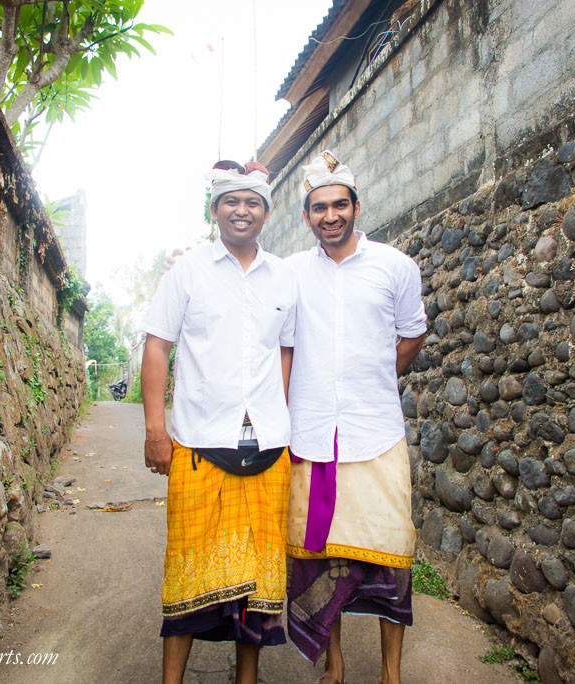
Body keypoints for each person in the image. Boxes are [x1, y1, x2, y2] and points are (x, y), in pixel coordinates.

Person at [140, 160, 296, 684]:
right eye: (232, 201)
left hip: (270, 448)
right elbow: (158, 347)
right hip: (199, 445)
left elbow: (286, 354)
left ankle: (245, 678)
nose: (242, 211)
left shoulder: (283, 277)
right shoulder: (186, 272)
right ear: (214, 210)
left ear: (267, 213)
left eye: (253, 202)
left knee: (257, 583)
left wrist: (284, 417)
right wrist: (156, 431)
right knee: (186, 571)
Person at [285, 150, 427, 684]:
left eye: (339, 205)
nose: (330, 216)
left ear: (356, 206)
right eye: (318, 208)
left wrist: (376, 377)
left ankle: (391, 672)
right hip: (313, 435)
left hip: (377, 433)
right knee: (324, 560)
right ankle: (335, 661)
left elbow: (413, 333)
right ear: (306, 216)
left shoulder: (396, 266)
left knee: (393, 551)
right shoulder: (293, 273)